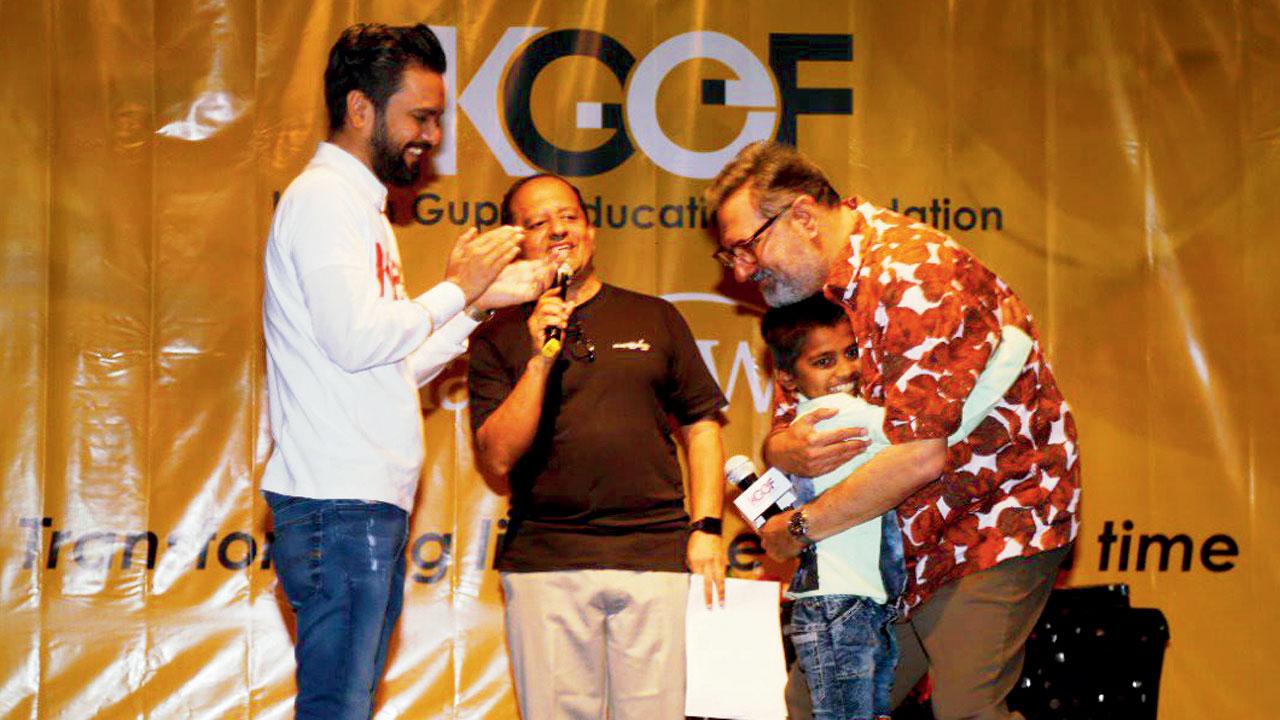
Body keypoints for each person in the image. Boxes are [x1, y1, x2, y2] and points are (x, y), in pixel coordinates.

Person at [707, 141, 1080, 720]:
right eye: (728, 256)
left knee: (967, 708)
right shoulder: (817, 293)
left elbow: (918, 458)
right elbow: (792, 430)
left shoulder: (912, 271)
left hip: (984, 522)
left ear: (802, 217)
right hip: (888, 540)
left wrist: (798, 529)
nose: (742, 271)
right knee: (820, 706)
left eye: (746, 248)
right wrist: (780, 447)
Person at [261, 23, 550, 719]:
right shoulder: (325, 201)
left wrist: (477, 307)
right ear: (360, 109)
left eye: (438, 118)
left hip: (360, 501)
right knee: (338, 704)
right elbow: (359, 339)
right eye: (419, 116)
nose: (432, 135)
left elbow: (389, 363)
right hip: (337, 503)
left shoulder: (361, 209)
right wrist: (457, 286)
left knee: (348, 701)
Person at [466, 173, 728, 720]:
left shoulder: (655, 316)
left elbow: (703, 425)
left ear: (590, 228)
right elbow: (496, 457)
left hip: (655, 558)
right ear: (518, 241)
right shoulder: (496, 336)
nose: (557, 230)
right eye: (537, 223)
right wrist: (539, 358)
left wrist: (705, 528)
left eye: (567, 216)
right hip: (547, 563)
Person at [760, 294, 1034, 720]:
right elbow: (950, 424)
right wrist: (1015, 342)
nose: (846, 369)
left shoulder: (803, 423)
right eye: (824, 361)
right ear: (786, 378)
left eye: (851, 353)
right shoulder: (844, 417)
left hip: (850, 600)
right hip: (845, 605)